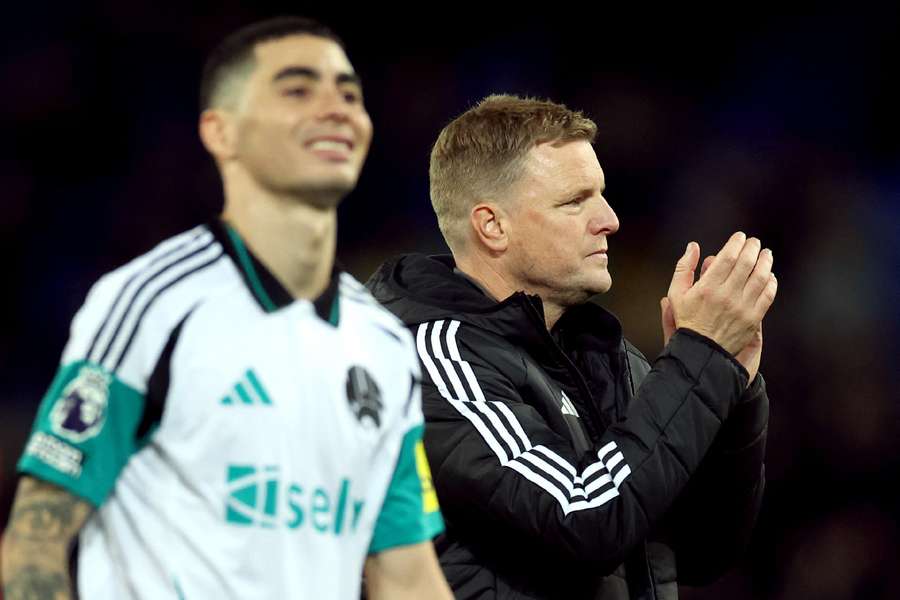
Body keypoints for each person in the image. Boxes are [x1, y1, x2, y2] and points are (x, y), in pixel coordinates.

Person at [1, 17, 452, 600]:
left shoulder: (384, 344)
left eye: (349, 93)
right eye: (297, 89)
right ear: (221, 132)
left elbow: (406, 574)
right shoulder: (153, 303)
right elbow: (34, 543)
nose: (335, 108)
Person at [366, 94, 776, 599]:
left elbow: (701, 549)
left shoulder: (607, 357)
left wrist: (730, 385)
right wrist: (698, 359)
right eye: (574, 200)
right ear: (492, 226)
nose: (610, 219)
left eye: (601, 194)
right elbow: (584, 516)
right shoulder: (434, 359)